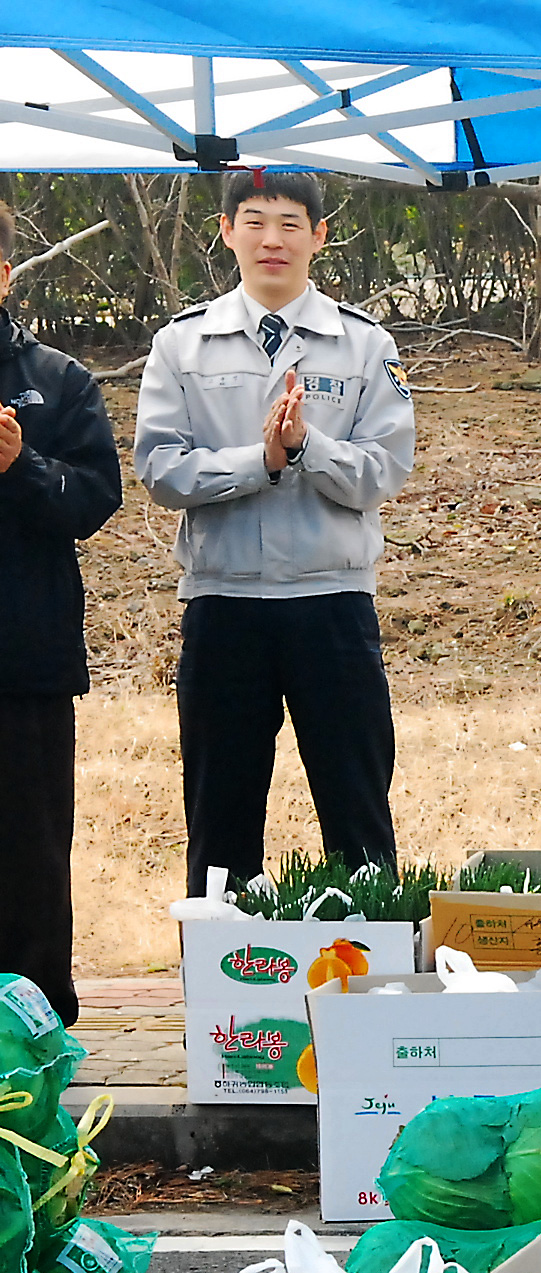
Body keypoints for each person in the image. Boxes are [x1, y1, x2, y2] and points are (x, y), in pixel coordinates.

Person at [134, 169, 415, 896]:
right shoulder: (182, 345)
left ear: (320, 237)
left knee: (357, 813)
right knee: (220, 819)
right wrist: (258, 460)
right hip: (225, 603)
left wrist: (308, 448)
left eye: (291, 223)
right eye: (254, 220)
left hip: (332, 604)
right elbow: (161, 471)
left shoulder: (362, 344)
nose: (271, 239)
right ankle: (224, 1000)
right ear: (226, 231)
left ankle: (370, 988)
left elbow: (383, 471)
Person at [0, 201, 126, 1028]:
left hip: (24, 660)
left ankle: (37, 1026)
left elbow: (94, 498)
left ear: (3, 273)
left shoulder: (56, 380)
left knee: (30, 852)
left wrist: (23, 466)